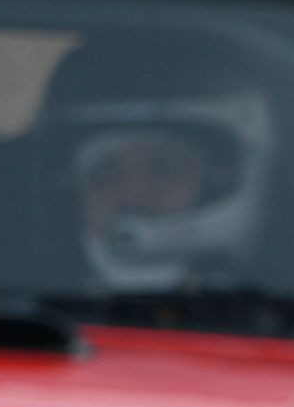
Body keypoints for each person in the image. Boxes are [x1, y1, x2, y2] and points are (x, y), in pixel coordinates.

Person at [36, 36, 275, 293]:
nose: (134, 194)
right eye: (104, 176)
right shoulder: (25, 318)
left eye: (164, 170)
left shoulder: (280, 320)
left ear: (216, 187)